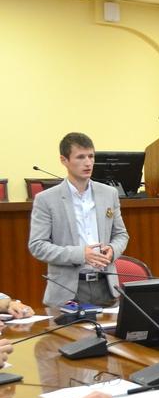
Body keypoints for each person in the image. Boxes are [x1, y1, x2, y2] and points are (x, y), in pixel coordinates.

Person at [28, 132, 129, 308]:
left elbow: (121, 234)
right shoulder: (46, 199)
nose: (88, 163)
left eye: (91, 156)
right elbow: (37, 245)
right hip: (67, 290)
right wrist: (81, 254)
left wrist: (113, 250)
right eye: (80, 157)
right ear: (64, 160)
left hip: (106, 287)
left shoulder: (109, 193)